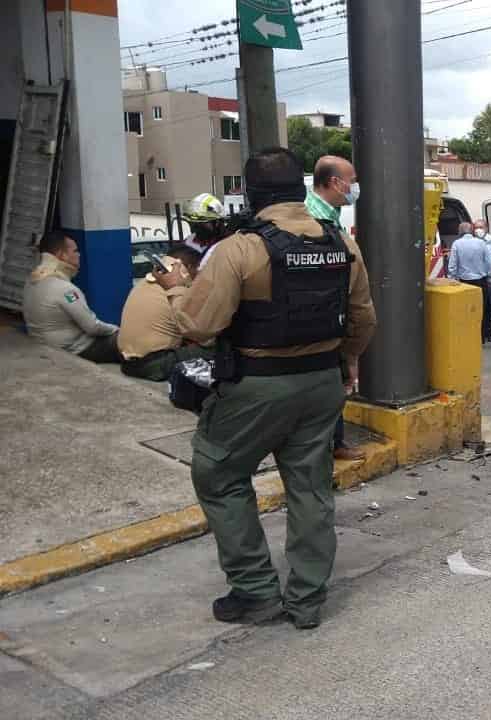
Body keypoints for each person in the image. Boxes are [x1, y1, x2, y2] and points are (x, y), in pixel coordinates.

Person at [153, 147, 376, 629]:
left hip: (257, 386)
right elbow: (363, 318)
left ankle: (255, 591)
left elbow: (200, 325)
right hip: (322, 384)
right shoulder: (341, 243)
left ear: (251, 196)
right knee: (310, 487)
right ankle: (307, 599)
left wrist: (175, 289)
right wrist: (348, 362)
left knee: (217, 473)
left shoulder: (240, 248)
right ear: (300, 187)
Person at [304, 155, 365, 461]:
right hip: (323, 311)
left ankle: (335, 442)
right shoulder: (317, 219)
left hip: (325, 310)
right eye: (351, 181)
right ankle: (327, 445)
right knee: (330, 382)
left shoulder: (328, 213)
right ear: (334, 183)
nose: (354, 187)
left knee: (333, 381)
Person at [22, 231, 122, 363]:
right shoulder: (65, 289)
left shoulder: (31, 280)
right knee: (127, 338)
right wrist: (117, 329)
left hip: (43, 344)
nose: (79, 254)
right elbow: (92, 327)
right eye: (75, 251)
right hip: (75, 350)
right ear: (61, 255)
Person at [118, 245, 213, 381]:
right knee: (217, 349)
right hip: (153, 364)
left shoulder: (142, 284)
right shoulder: (182, 291)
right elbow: (200, 331)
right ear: (190, 267)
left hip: (126, 360)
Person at [447, 221, 491, 343]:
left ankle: (468, 337)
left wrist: (452, 278)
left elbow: (453, 265)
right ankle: (482, 336)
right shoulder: (481, 243)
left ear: (460, 231)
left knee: (466, 311)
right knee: (482, 309)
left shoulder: (456, 244)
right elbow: (488, 263)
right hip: (481, 282)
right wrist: (490, 277)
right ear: (471, 231)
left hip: (464, 283)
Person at [181, 193, 231, 271]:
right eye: (193, 223)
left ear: (217, 222)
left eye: (201, 222)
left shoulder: (229, 245)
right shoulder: (189, 242)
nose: (196, 227)